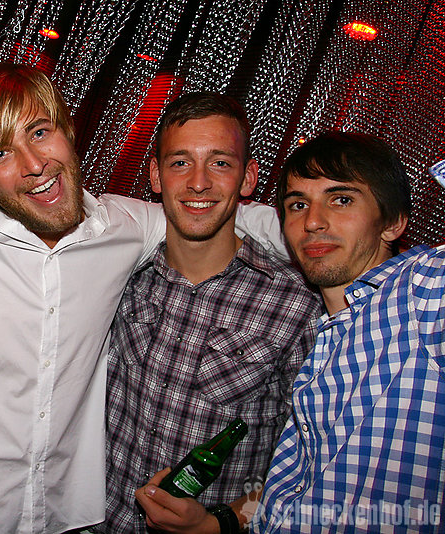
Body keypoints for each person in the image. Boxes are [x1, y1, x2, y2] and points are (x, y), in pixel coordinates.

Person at [0, 63, 287, 533]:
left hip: (62, 516)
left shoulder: (126, 227)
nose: (34, 164)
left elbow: (211, 208)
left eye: (40, 132)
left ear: (67, 130)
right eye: (1, 153)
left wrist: (317, 236)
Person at [134, 131, 445, 533]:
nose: (312, 221)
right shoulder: (326, 338)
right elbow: (292, 490)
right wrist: (219, 523)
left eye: (341, 200)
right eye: (298, 205)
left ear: (393, 222)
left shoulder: (419, 297)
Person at [97, 93, 321, 533]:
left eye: (219, 163)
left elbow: (310, 470)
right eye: (180, 162)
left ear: (247, 177)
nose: (198, 183)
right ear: (156, 176)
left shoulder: (296, 306)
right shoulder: (121, 276)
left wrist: (221, 522)